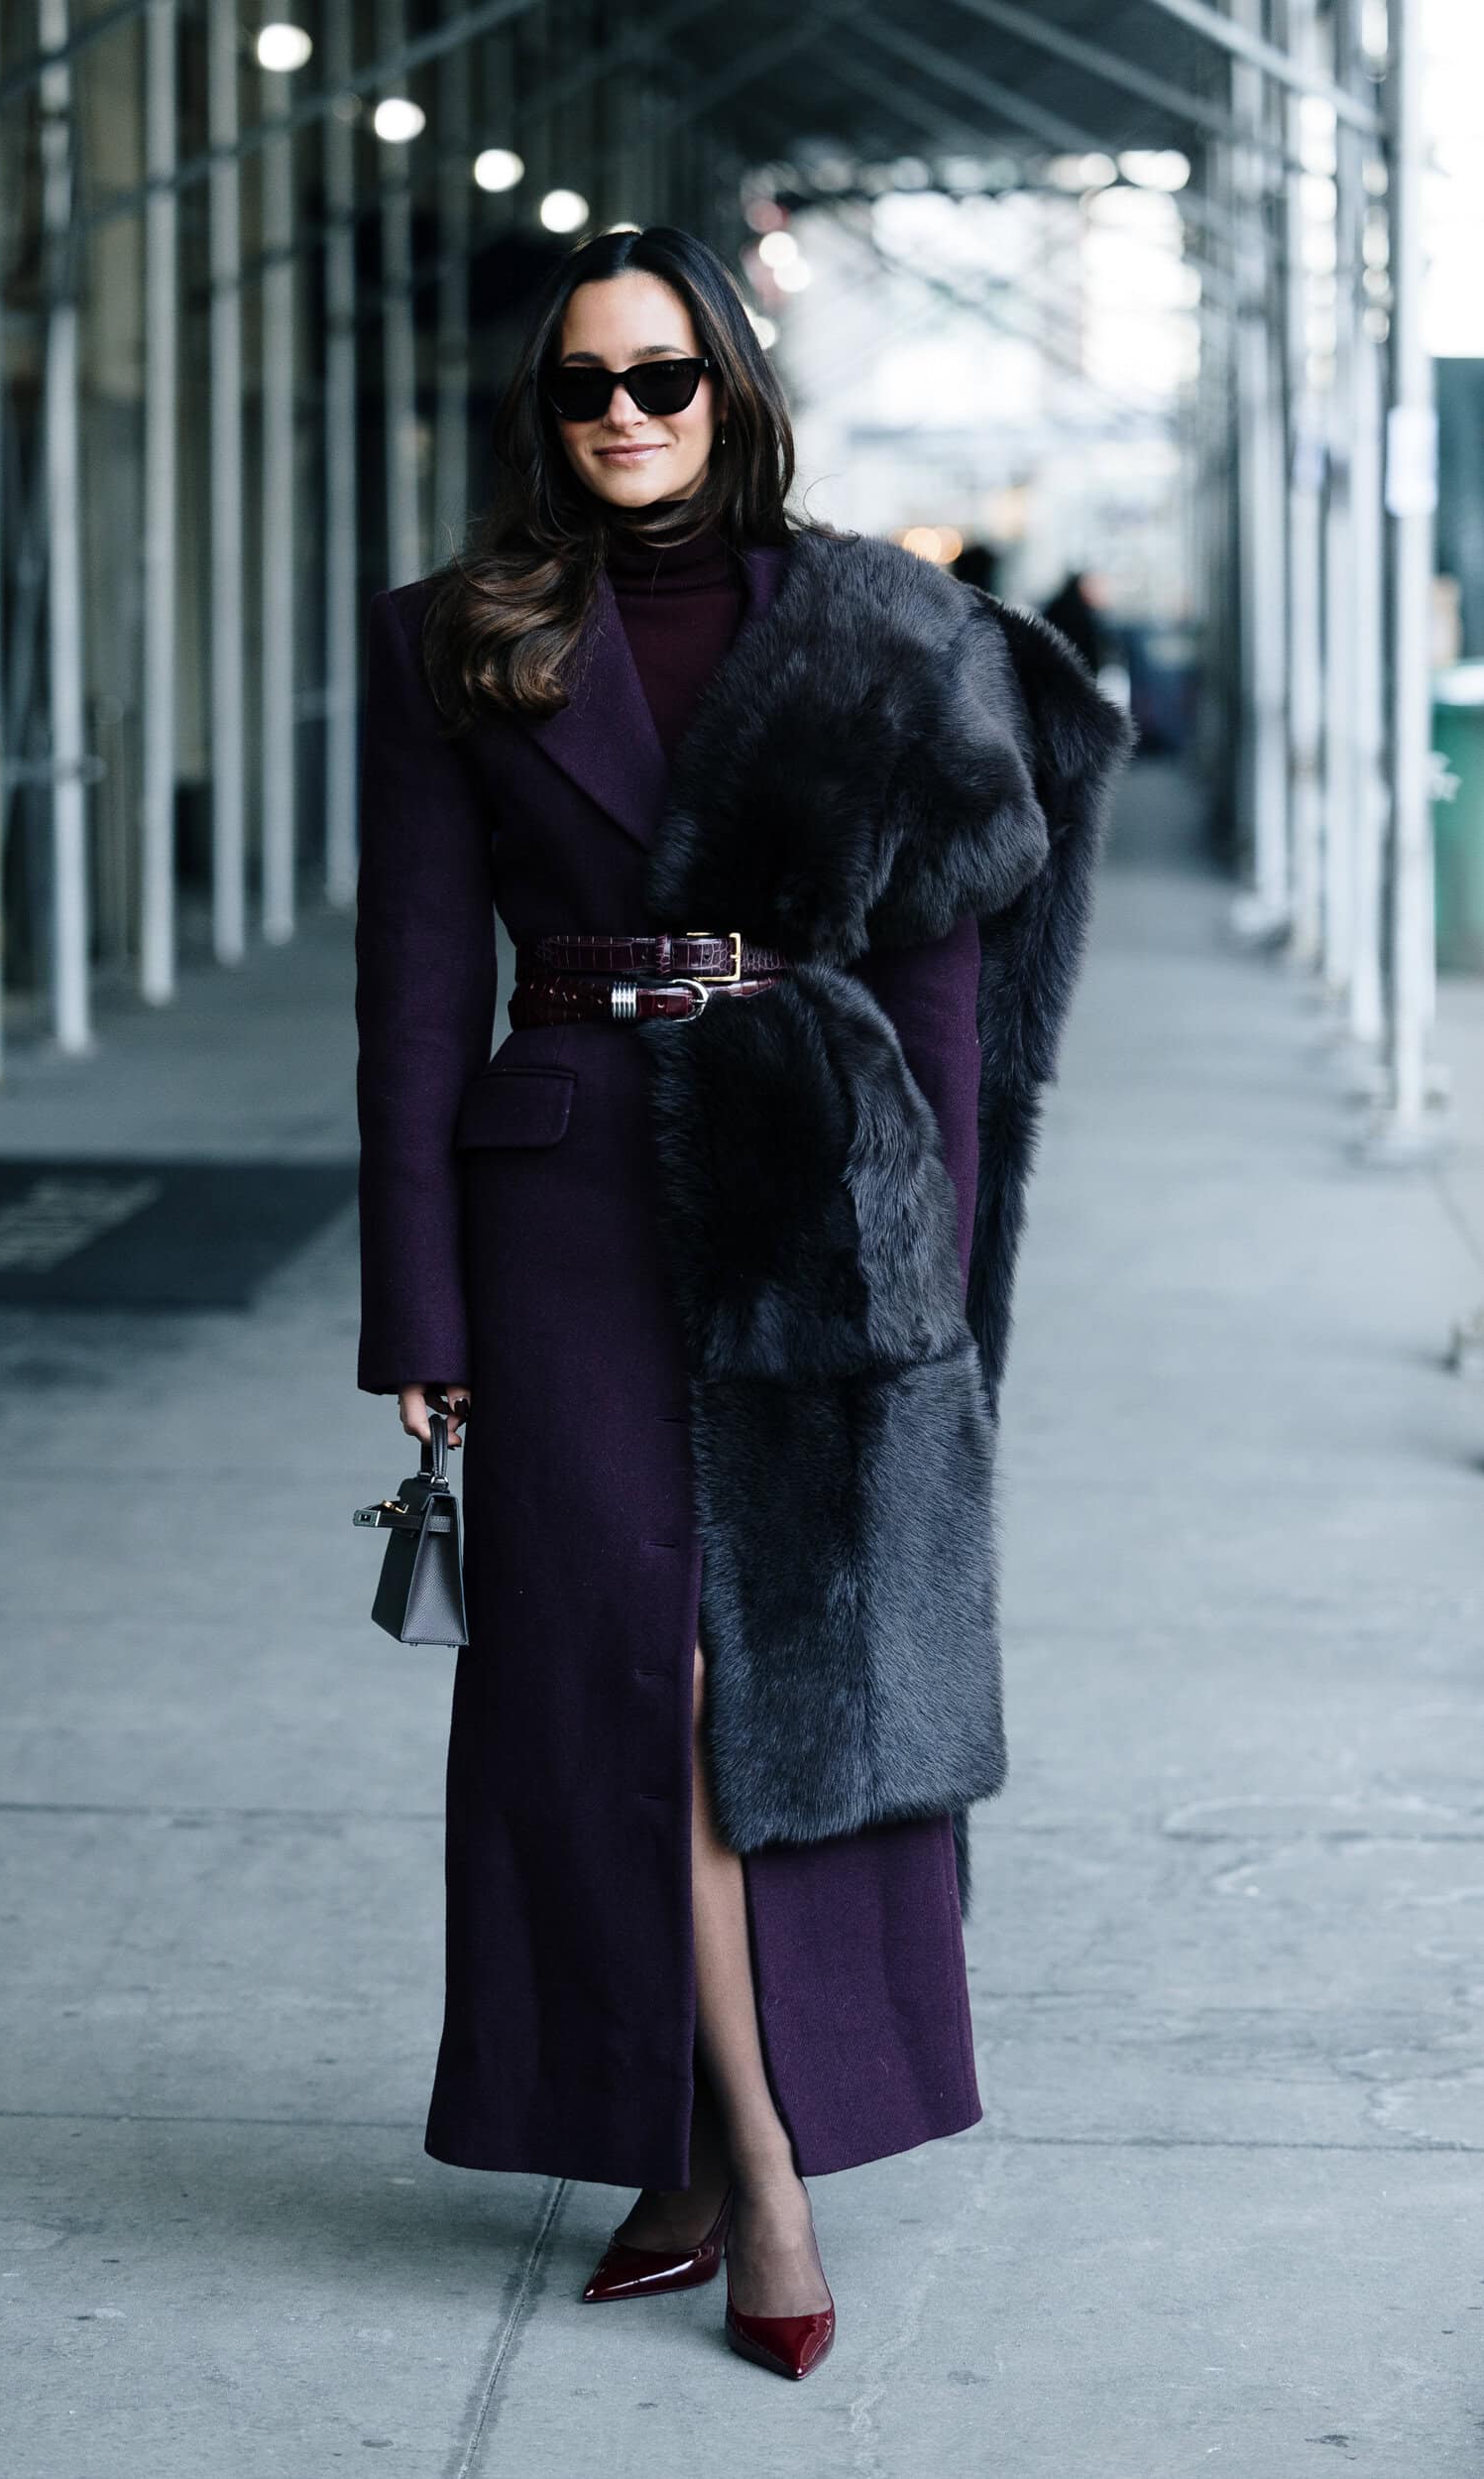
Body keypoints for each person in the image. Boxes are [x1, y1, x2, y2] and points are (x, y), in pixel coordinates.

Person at [355, 224, 1130, 2382]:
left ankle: (701, 2149)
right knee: (641, 1682)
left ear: (733, 390)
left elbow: (941, 982)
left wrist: (932, 1282)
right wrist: (417, 1306)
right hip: (563, 1201)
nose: (623, 415)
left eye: (663, 376)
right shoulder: (457, 638)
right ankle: (764, 2171)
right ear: (545, 413)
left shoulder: (875, 633)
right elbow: (410, 995)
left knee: (774, 1676)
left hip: (814, 1190)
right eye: (584, 384)